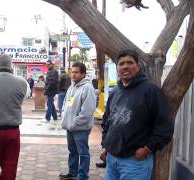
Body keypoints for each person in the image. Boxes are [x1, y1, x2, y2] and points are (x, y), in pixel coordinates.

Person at [101, 49, 174, 180]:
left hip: (134, 162)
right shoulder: (116, 92)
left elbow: (165, 127)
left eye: (130, 62)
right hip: (112, 159)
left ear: (138, 66)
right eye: (121, 63)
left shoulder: (151, 91)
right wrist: (105, 145)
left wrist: (147, 149)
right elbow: (107, 121)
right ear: (117, 68)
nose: (125, 66)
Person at [59, 62, 96, 180]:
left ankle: (82, 176)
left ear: (83, 74)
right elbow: (66, 104)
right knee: (72, 151)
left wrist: (75, 123)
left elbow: (87, 112)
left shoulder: (87, 88)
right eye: (72, 72)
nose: (73, 74)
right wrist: (64, 117)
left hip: (80, 128)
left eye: (76, 72)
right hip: (70, 127)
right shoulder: (72, 87)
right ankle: (72, 172)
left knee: (83, 153)